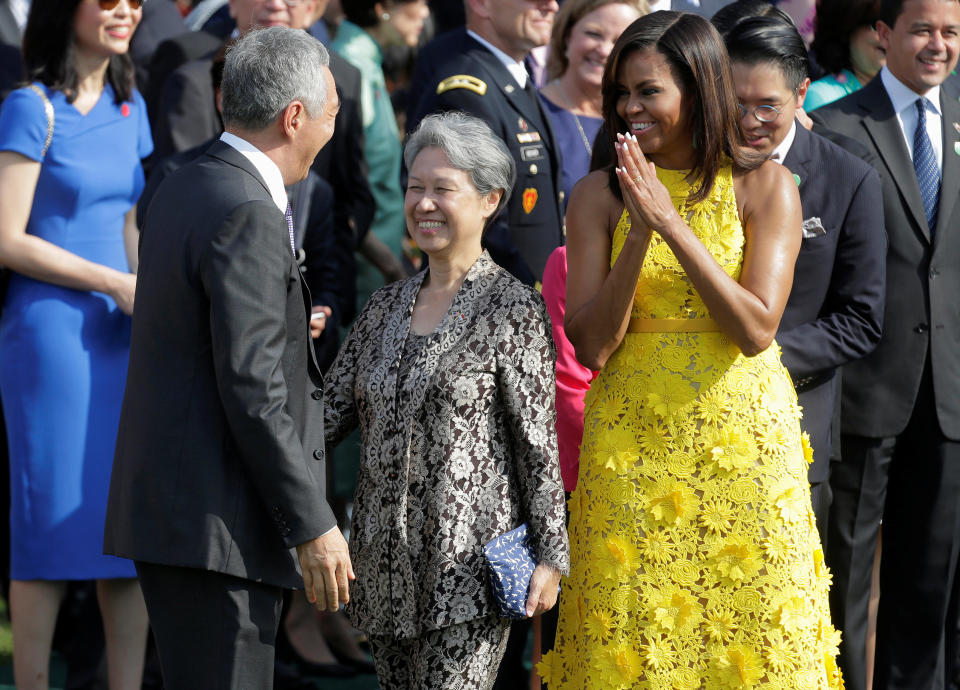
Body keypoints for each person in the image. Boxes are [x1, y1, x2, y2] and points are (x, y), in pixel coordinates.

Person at [538, 12, 843, 688]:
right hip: (630, 436)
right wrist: (638, 233)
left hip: (739, 438)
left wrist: (672, 224)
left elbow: (756, 328)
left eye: (647, 91)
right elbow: (590, 345)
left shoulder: (767, 186)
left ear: (699, 90)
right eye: (621, 92)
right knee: (631, 630)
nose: (628, 107)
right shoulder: (597, 195)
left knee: (743, 634)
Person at [103, 27, 352, 689]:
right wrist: (312, 522)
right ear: (293, 116)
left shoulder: (188, 183)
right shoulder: (247, 207)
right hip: (220, 529)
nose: (333, 125)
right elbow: (254, 387)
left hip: (185, 518)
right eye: (330, 111)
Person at [323, 111, 570, 689]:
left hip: (467, 576)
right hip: (381, 571)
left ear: (489, 199)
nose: (424, 204)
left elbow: (538, 446)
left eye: (442, 189)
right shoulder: (384, 307)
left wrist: (553, 557)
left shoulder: (511, 309)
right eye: (415, 188)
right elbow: (324, 415)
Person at [0, 0, 151, 687]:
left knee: (126, 536)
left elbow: (128, 223)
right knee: (48, 532)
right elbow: (7, 239)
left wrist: (144, 293)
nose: (126, 9)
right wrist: (112, 284)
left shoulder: (131, 106)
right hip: (51, 339)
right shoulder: (31, 107)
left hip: (122, 336)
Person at [809, 0, 960, 687]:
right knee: (843, 592)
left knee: (929, 587)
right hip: (863, 390)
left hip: (950, 396)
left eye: (952, 32)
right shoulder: (837, 128)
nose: (939, 45)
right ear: (883, 34)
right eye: (924, 29)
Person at [723, 16, 886, 535]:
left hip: (791, 423)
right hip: (686, 419)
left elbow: (860, 317)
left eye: (768, 105)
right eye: (735, 102)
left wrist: (758, 356)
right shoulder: (696, 169)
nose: (749, 120)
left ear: (802, 94)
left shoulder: (848, 176)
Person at [407, 0, 564, 288]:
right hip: (492, 307)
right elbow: (477, 220)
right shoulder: (467, 91)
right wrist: (528, 290)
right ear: (481, 4)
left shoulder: (511, 78)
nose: (551, 5)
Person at [331, 0, 426, 312]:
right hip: (359, 266)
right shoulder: (349, 64)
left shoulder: (364, 60)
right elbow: (342, 181)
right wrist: (387, 260)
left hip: (375, 257)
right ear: (381, 6)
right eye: (420, 2)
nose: (425, 12)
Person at [538, 0, 645, 211]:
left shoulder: (642, 121)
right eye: (594, 34)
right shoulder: (532, 111)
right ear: (567, 35)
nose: (604, 50)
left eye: (619, 41)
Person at [806, 0, 884, 111]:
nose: (888, 35)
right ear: (847, 28)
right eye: (876, 25)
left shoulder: (907, 98)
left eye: (894, 26)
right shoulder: (821, 97)